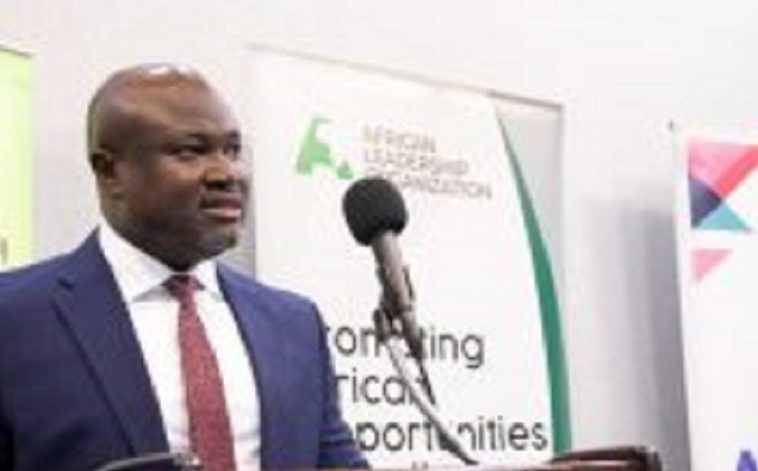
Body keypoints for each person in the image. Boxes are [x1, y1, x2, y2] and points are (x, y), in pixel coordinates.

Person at [0, 64, 369, 471]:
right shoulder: (14, 318)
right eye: (190, 152)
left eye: (232, 151)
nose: (226, 174)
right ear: (109, 171)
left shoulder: (293, 323)